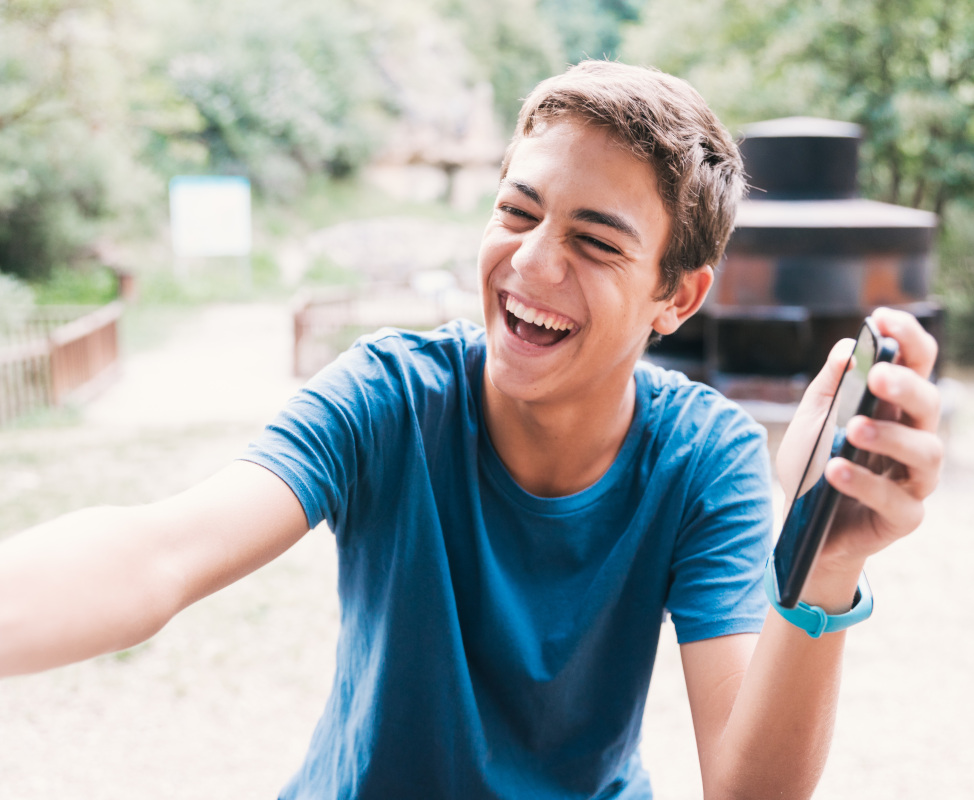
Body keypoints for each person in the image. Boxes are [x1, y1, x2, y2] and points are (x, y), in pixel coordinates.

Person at [0, 60, 943, 799]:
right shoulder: (389, 397)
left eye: (596, 240)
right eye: (517, 211)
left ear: (676, 296)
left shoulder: (705, 460)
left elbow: (747, 788)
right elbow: (156, 555)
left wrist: (826, 563)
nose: (532, 262)